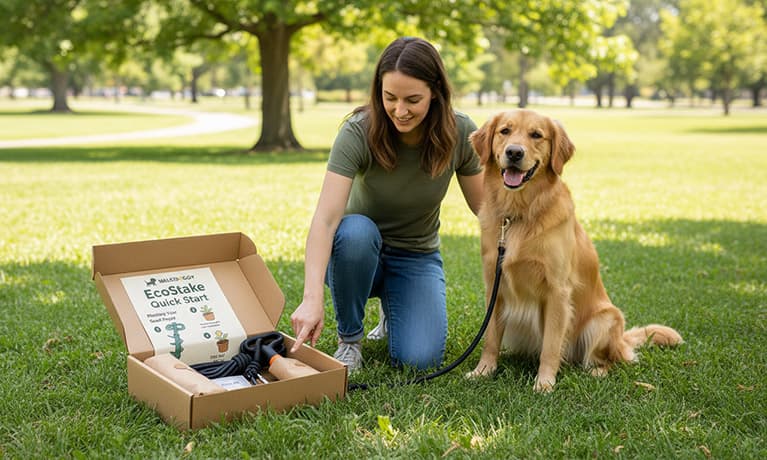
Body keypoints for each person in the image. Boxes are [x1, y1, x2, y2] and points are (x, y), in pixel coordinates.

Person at [289, 37, 484, 371]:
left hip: (416, 256)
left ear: (435, 92)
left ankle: (396, 309)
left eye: (413, 100)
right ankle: (350, 341)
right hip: (357, 254)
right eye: (389, 97)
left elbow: (486, 209)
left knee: (420, 361)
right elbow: (325, 220)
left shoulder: (460, 131)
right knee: (356, 232)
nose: (400, 110)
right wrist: (311, 299)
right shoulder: (358, 131)